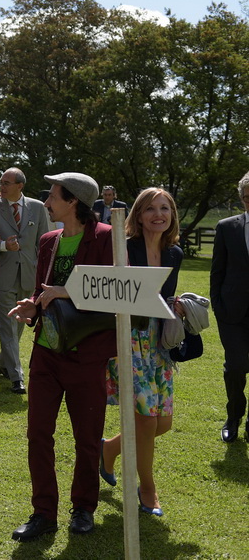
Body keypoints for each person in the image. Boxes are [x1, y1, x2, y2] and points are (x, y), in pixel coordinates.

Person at [8, 172, 114, 541]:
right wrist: (32, 307)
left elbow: (110, 295)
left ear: (73, 202)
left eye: (52, 196)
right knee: (38, 434)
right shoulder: (49, 241)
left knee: (87, 437)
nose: (47, 202)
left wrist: (62, 292)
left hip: (88, 354)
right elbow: (44, 294)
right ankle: (43, 513)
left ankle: (83, 508)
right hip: (47, 353)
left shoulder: (106, 239)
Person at [100, 187, 185, 516]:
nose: (158, 214)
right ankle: (147, 489)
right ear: (138, 214)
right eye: (150, 208)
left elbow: (164, 298)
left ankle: (109, 449)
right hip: (127, 339)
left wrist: (178, 307)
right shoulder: (123, 247)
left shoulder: (174, 254)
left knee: (163, 423)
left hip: (158, 344)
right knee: (147, 421)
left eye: (165, 208)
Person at [0, 168, 52, 394]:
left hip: (29, 275)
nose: (1, 187)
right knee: (6, 325)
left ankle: (4, 363)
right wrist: (1, 246)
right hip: (2, 274)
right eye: (1, 182)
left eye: (6, 183)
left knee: (20, 322)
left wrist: (42, 275)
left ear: (20, 186)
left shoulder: (38, 208)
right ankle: (16, 376)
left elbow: (44, 243)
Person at [213, 171, 249, 443]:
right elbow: (217, 271)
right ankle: (233, 416)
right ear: (242, 199)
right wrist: (218, 308)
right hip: (232, 312)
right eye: (248, 198)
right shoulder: (227, 227)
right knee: (235, 366)